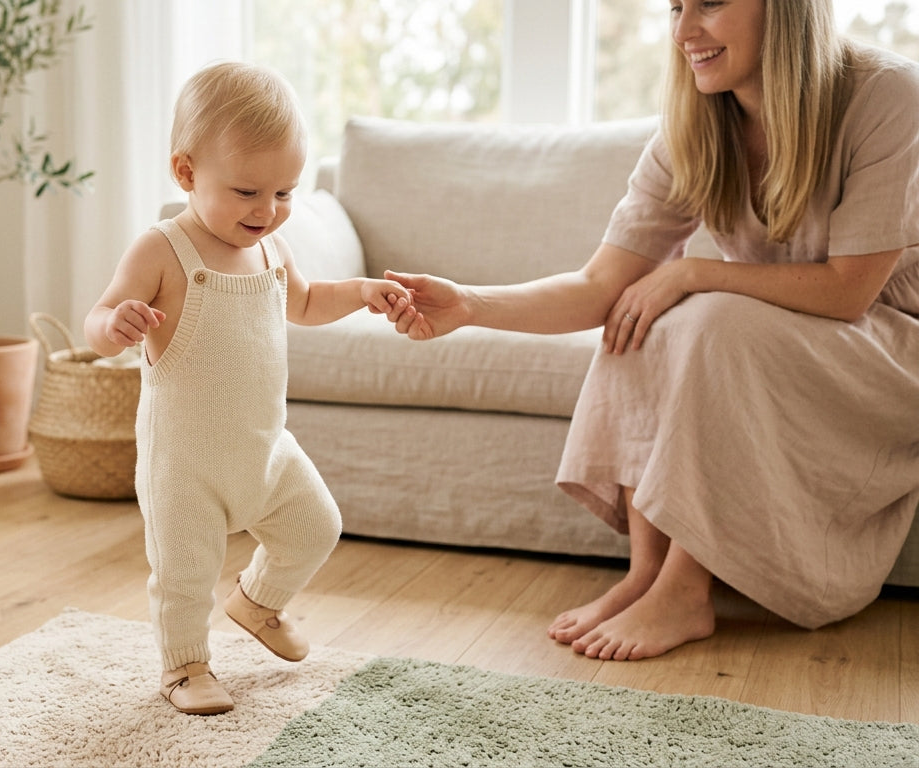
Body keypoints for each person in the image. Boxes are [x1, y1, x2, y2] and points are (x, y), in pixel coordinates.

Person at [385, 0, 919, 661]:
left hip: (890, 346)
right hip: (785, 342)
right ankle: (647, 574)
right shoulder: (696, 126)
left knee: (708, 315)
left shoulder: (886, 93)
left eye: (711, 4)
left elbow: (848, 292)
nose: (683, 31)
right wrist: (469, 303)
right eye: (675, 7)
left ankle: (685, 590)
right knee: (643, 309)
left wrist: (695, 273)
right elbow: (597, 287)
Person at [85, 61, 410, 713]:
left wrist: (363, 292)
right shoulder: (163, 250)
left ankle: (258, 601)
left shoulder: (271, 249)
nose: (268, 210)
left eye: (286, 193)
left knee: (318, 525)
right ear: (186, 173)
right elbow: (97, 319)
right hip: (187, 466)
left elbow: (309, 301)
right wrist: (114, 325)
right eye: (247, 192)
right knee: (184, 575)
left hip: (264, 450)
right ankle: (184, 666)